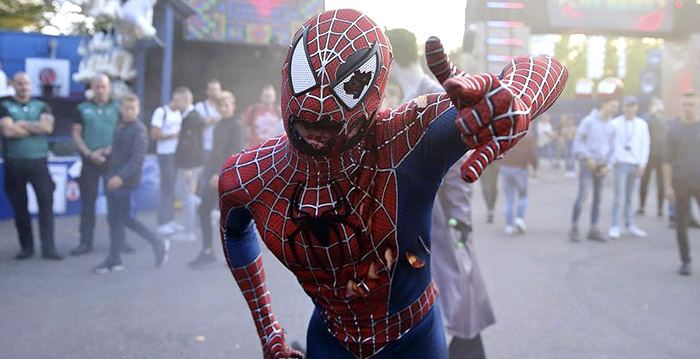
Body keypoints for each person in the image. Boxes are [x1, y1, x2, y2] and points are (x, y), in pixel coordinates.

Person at [218, 9, 567, 359]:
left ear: (376, 88)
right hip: (331, 338)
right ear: (288, 75)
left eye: (350, 86)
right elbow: (235, 231)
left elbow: (548, 68)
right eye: (305, 77)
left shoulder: (406, 137)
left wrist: (518, 95)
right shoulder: (250, 175)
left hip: (413, 337)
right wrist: (268, 332)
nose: (320, 104)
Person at [386, 27, 494, 358]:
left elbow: (460, 169)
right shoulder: (406, 95)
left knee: (454, 286)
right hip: (417, 220)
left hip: (441, 216)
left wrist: (459, 224)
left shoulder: (436, 97)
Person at [94, 93, 169, 273]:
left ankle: (155, 243)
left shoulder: (139, 130)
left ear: (138, 110)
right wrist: (104, 153)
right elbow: (118, 151)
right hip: (113, 179)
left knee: (122, 219)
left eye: (132, 109)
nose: (128, 112)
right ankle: (116, 258)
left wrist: (120, 177)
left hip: (124, 182)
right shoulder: (121, 128)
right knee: (119, 219)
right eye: (126, 108)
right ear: (121, 109)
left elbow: (136, 159)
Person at [0, 72, 62, 260]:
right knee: (20, 207)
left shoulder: (42, 106)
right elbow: (8, 131)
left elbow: (47, 128)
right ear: (14, 86)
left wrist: (23, 124)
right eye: (19, 84)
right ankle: (27, 247)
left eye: (26, 84)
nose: (23, 87)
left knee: (46, 203)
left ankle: (49, 248)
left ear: (31, 86)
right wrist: (34, 127)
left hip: (39, 163)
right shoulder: (5, 107)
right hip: (15, 163)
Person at [70, 74, 133, 255]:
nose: (100, 90)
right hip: (89, 162)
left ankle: (120, 242)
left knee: (116, 203)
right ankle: (85, 242)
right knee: (88, 204)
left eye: (103, 87)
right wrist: (89, 153)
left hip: (112, 163)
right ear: (92, 88)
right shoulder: (82, 108)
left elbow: (123, 132)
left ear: (108, 88)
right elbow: (76, 134)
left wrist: (108, 149)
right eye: (96, 87)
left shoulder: (117, 107)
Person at [188, 91, 246, 267]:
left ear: (233, 106)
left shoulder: (236, 125)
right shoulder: (220, 125)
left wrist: (220, 173)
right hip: (214, 174)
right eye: (221, 106)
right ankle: (208, 251)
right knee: (205, 210)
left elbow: (236, 153)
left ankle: (237, 254)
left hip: (228, 175)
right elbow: (215, 152)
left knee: (231, 216)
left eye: (226, 105)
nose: (223, 108)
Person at [569, 97, 619, 243]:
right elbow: (579, 142)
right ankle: (574, 227)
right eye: (612, 105)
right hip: (587, 164)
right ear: (604, 105)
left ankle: (594, 228)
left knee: (598, 199)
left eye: (617, 107)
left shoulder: (612, 126)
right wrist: (587, 157)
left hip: (602, 165)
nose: (614, 109)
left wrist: (608, 166)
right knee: (583, 195)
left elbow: (613, 149)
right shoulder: (589, 121)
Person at [664, 90, 700, 276]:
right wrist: (668, 186)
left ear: (697, 105)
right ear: (681, 106)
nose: (688, 108)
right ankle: (685, 261)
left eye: (692, 104)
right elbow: (667, 161)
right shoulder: (674, 129)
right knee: (681, 224)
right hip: (681, 184)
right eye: (685, 104)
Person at [608, 96, 649, 239]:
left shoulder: (642, 124)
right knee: (618, 196)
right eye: (627, 106)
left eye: (633, 105)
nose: (630, 109)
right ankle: (614, 225)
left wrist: (643, 164)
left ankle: (629, 224)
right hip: (621, 163)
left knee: (630, 197)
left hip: (635, 163)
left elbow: (645, 145)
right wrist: (613, 160)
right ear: (623, 107)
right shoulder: (615, 123)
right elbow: (610, 144)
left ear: (637, 107)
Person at [151, 89, 184, 236]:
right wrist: (173, 135)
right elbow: (154, 134)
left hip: (175, 155)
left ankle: (170, 220)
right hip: (165, 155)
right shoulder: (160, 112)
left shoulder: (178, 114)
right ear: (176, 99)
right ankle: (161, 222)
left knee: (171, 188)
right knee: (165, 188)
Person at [172, 87, 204, 241]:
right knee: (182, 193)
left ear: (185, 100)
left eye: (177, 100)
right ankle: (201, 206)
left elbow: (191, 144)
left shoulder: (191, 118)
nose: (174, 103)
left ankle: (189, 231)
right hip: (188, 164)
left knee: (186, 195)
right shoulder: (189, 116)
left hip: (189, 165)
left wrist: (188, 167)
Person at [498, 131, 538, 235]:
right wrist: (535, 167)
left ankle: (509, 226)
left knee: (509, 198)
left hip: (505, 167)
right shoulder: (527, 136)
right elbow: (532, 153)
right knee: (523, 196)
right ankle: (519, 218)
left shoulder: (506, 133)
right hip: (520, 169)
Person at [637, 97, 667, 217]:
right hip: (648, 154)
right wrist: (651, 114)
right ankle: (642, 206)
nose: (657, 106)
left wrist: (657, 116)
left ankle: (660, 208)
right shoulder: (645, 118)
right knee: (644, 181)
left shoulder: (665, 119)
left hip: (661, 155)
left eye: (659, 104)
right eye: (655, 104)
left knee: (661, 182)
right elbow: (642, 124)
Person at [194, 79, 222, 158]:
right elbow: (196, 125)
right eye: (211, 90)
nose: (214, 92)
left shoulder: (226, 107)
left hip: (222, 148)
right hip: (205, 146)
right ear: (207, 91)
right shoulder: (199, 107)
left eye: (216, 89)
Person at [559, 114, 577, 178]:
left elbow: (576, 136)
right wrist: (562, 144)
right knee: (567, 157)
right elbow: (562, 136)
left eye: (571, 121)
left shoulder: (574, 128)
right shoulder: (565, 129)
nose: (570, 122)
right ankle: (567, 170)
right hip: (567, 143)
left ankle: (572, 170)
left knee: (572, 157)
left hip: (572, 143)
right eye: (569, 121)